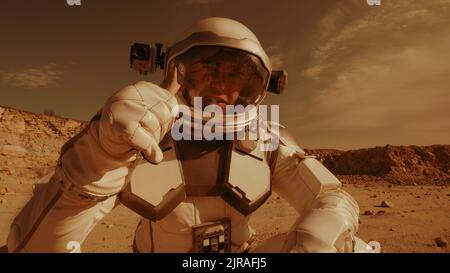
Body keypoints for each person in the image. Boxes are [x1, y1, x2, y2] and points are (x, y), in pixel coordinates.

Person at [6, 17, 361, 253]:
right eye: (209, 72)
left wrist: (316, 236)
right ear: (179, 75)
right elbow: (35, 247)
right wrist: (99, 156)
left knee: (352, 249)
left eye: (235, 77)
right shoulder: (137, 137)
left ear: (254, 88)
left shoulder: (265, 139)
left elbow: (332, 197)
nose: (221, 88)